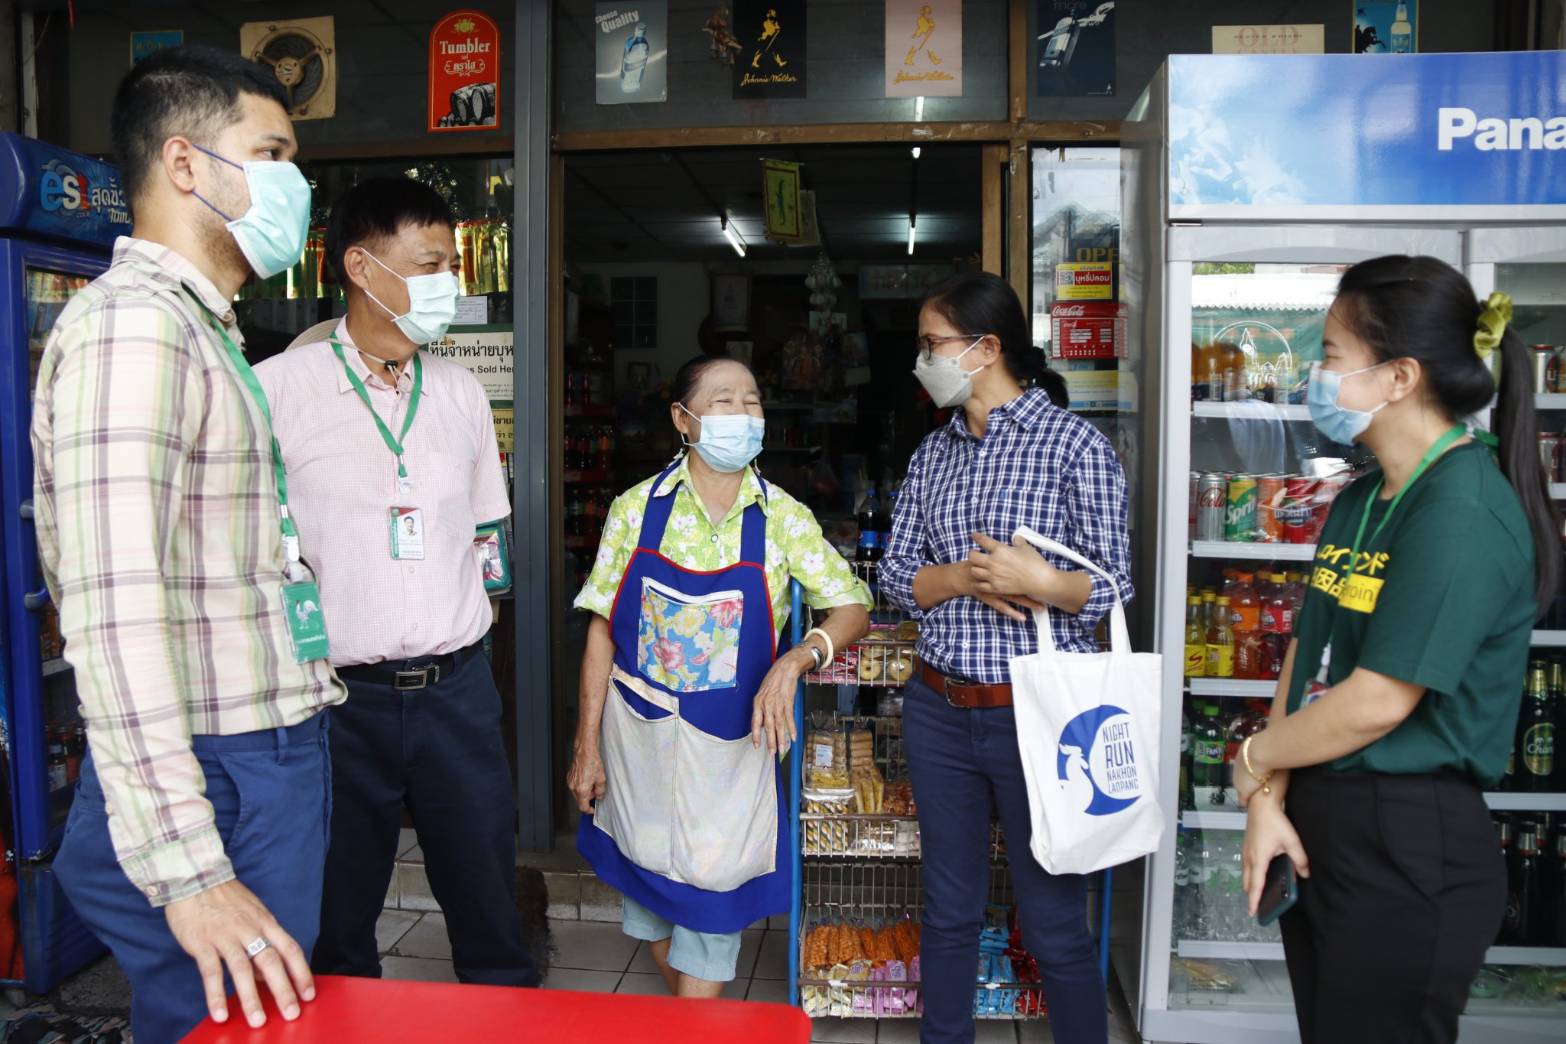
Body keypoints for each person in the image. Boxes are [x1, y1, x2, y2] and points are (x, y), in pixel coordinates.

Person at [29, 45, 340, 1042]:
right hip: (228, 763)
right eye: (273, 151)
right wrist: (190, 872)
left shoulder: (200, 327)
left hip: (249, 747)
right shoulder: (137, 334)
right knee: (238, 1015)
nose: (294, 181)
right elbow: (114, 615)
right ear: (185, 163)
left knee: (237, 1006)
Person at [1236, 256, 1558, 1044]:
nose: (1316, 375)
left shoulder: (1462, 510)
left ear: (1400, 376)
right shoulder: (1363, 495)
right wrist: (1267, 801)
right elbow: (1306, 653)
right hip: (1325, 823)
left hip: (1409, 841)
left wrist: (1252, 761)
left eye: (1332, 356)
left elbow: (1380, 701)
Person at [254, 178, 535, 987]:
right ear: (362, 266)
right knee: (338, 920)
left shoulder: (460, 394)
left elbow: (485, 535)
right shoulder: (279, 391)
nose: (450, 282)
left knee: (488, 906)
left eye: (453, 264)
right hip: (337, 702)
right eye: (431, 263)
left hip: (458, 694)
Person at [880, 272, 1131, 1044]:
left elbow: (1116, 586)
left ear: (987, 349)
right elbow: (894, 578)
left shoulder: (1074, 446)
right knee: (948, 911)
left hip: (1040, 714)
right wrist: (961, 577)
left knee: (1053, 917)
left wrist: (1041, 582)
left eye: (934, 345)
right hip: (939, 710)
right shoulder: (934, 454)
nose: (924, 360)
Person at [569, 356, 871, 997]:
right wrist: (585, 744)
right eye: (725, 401)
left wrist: (796, 658)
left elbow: (851, 605)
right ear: (684, 419)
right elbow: (601, 626)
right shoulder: (635, 509)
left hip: (732, 755)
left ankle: (694, 1017)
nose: (744, 414)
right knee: (648, 903)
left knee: (712, 911)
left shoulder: (783, 517)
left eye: (753, 401)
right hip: (640, 745)